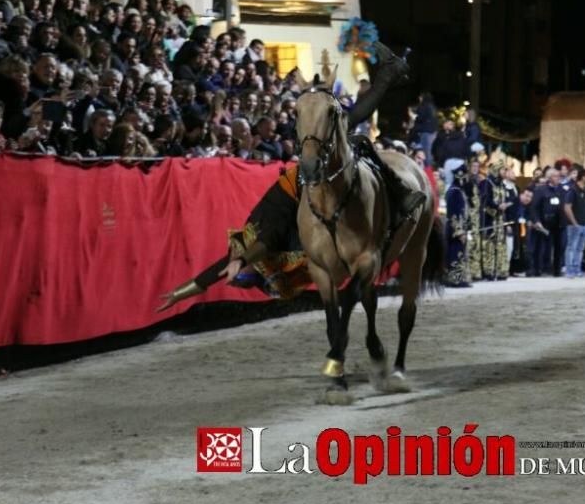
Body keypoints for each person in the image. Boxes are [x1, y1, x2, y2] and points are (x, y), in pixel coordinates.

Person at [157, 43, 423, 308]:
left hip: (306, 173)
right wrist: (198, 284)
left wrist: (198, 283)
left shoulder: (276, 212)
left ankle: (400, 192)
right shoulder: (281, 233)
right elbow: (259, 245)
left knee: (360, 141)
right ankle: (390, 77)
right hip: (310, 185)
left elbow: (262, 241)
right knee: (359, 139)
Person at [563, 168, 585, 277]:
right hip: (575, 224)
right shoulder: (573, 190)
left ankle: (577, 268)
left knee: (580, 248)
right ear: (583, 177)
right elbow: (567, 207)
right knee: (572, 247)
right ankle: (569, 270)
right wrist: (574, 222)